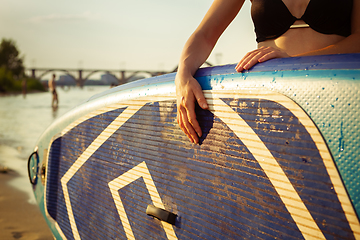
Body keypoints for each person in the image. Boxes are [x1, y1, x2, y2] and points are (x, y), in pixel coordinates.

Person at [176, 0, 360, 144]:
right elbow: (205, 34)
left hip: (339, 100)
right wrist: (183, 74)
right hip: (271, 106)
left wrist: (294, 61)